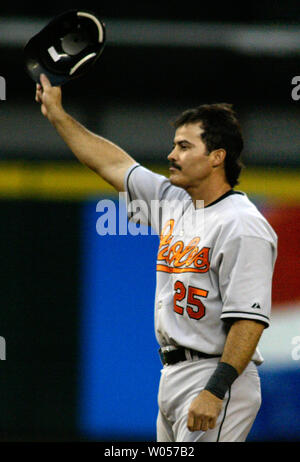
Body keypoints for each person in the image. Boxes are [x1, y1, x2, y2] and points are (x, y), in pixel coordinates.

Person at [35, 74, 277, 442]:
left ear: (216, 157)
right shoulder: (175, 201)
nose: (171, 155)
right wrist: (57, 115)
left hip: (214, 375)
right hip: (172, 375)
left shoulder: (242, 225)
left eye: (183, 146)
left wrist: (215, 390)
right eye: (174, 145)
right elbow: (111, 164)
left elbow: (249, 321)